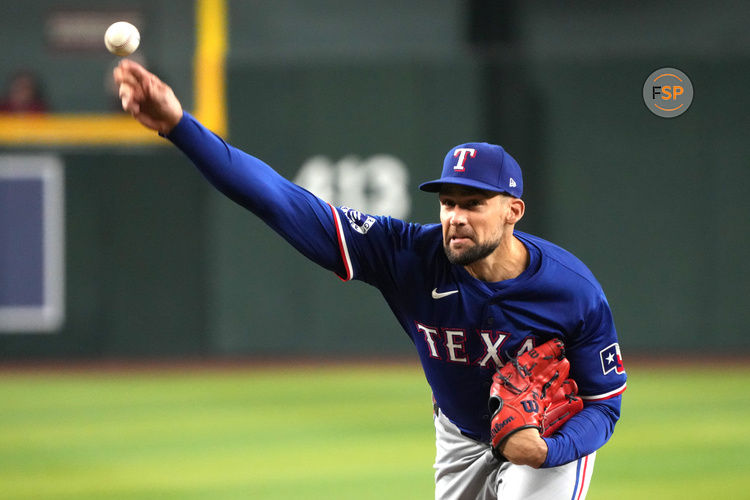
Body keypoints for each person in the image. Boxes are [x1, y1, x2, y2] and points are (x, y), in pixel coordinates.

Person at [114, 59, 626, 500]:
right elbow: (277, 199)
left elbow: (605, 406)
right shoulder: (406, 254)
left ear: (513, 210)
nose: (455, 216)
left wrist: (546, 449)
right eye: (447, 202)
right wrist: (179, 126)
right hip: (461, 434)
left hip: (548, 433)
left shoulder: (573, 291)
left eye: (473, 203)